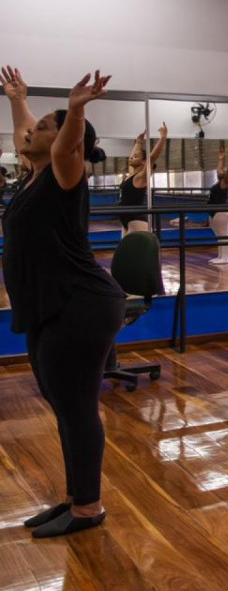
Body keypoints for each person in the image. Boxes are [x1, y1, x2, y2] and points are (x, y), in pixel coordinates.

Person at [2, 66, 125, 538]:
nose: (31, 131)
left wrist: (73, 111)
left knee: (75, 406)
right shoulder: (33, 177)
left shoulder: (64, 175)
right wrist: (18, 98)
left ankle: (89, 507)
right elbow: (25, 133)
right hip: (47, 305)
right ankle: (75, 497)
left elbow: (65, 143)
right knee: (60, 402)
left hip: (80, 304)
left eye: (43, 127)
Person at [118, 124, 166, 236]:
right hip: (126, 218)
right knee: (126, 252)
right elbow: (133, 155)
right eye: (132, 156)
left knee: (139, 252)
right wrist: (138, 143)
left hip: (136, 220)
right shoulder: (131, 174)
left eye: (136, 157)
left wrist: (162, 138)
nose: (131, 157)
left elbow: (152, 158)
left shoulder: (140, 177)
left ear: (144, 162)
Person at [208, 147, 228, 265]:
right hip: (215, 212)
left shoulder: (225, 184)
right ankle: (220, 256)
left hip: (222, 212)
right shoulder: (219, 182)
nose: (221, 171)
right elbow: (219, 170)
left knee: (223, 236)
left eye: (224, 171)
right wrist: (220, 159)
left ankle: (225, 258)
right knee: (219, 236)